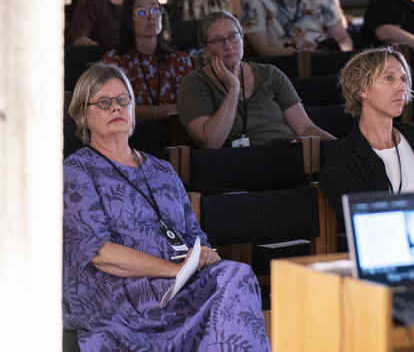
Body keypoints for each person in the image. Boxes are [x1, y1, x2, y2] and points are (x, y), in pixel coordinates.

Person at [63, 63, 270, 351]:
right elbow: (99, 253)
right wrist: (172, 271)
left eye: (123, 100)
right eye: (104, 102)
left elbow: (192, 234)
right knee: (230, 288)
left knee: (237, 274)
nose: (116, 108)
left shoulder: (161, 169)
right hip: (120, 296)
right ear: (82, 113)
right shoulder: (76, 171)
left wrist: (205, 254)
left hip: (179, 285)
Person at [319, 47, 414, 208]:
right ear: (362, 89)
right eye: (389, 78)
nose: (401, 87)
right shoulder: (342, 161)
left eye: (403, 79)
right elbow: (366, 222)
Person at [176, 11, 336, 148]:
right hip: (244, 166)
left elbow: (306, 129)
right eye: (218, 41)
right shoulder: (194, 84)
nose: (228, 45)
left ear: (242, 39)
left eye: (233, 36)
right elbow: (210, 142)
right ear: (205, 49)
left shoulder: (270, 74)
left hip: (291, 153)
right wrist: (233, 88)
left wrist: (341, 149)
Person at [100, 0, 194, 119]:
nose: (151, 16)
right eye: (141, 12)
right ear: (129, 22)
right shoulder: (114, 61)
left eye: (155, 9)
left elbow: (190, 106)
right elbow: (115, 108)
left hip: (175, 132)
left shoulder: (179, 59)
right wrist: (163, 110)